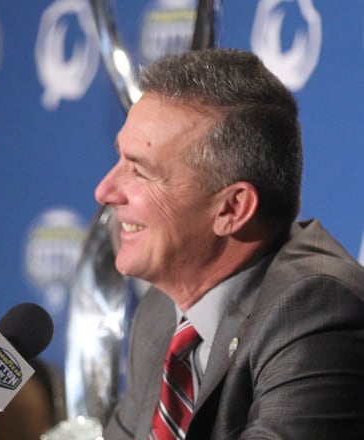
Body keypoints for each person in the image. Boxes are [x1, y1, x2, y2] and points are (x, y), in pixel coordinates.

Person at [95, 48, 364, 439]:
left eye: (140, 170)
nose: (104, 190)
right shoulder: (160, 314)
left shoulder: (316, 309)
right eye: (119, 157)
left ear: (232, 208)